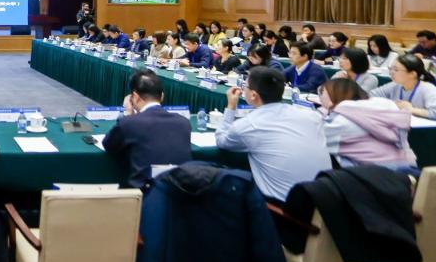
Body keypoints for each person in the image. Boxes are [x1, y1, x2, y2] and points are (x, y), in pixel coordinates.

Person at [216, 66, 331, 202]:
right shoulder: (311, 115)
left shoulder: (250, 125)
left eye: (245, 86)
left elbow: (221, 141)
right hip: (326, 198)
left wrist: (231, 106)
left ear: (253, 95)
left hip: (285, 206)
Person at [102, 70, 192, 188]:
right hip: (181, 192)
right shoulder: (183, 122)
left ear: (134, 97)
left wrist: (127, 113)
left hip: (145, 193)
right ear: (162, 96)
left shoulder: (130, 123)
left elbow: (108, 144)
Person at [319, 79, 416, 169]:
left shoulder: (341, 122)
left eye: (322, 92)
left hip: (374, 175)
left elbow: (319, 142)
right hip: (405, 167)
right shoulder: (386, 107)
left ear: (333, 95)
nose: (320, 97)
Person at [371, 53, 436, 120]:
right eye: (391, 68)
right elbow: (371, 95)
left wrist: (411, 110)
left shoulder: (428, 89)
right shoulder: (395, 85)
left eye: (396, 70)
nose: (391, 72)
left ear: (412, 74)